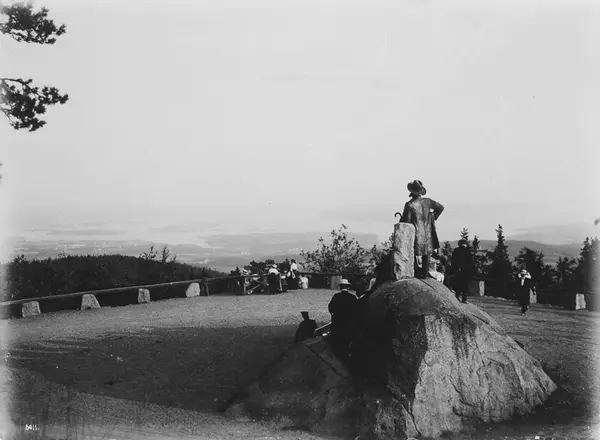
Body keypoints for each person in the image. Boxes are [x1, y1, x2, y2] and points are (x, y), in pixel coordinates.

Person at [400, 180, 444, 279]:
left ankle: (417, 272)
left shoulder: (409, 204)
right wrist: (433, 216)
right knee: (426, 253)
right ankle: (424, 273)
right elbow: (441, 207)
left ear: (411, 193)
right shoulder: (428, 201)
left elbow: (407, 221)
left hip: (416, 233)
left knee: (412, 252)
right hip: (428, 233)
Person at [327, 279, 359, 356]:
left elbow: (331, 308)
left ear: (340, 287)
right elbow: (356, 311)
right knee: (346, 342)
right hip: (348, 324)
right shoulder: (352, 297)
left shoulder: (336, 296)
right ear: (348, 287)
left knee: (336, 342)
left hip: (337, 322)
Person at [451, 239, 472, 303]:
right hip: (466, 271)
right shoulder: (468, 250)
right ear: (466, 244)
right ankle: (464, 298)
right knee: (465, 284)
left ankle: (457, 296)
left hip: (457, 270)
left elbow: (453, 260)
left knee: (458, 283)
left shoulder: (456, 250)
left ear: (459, 244)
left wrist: (455, 269)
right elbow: (470, 262)